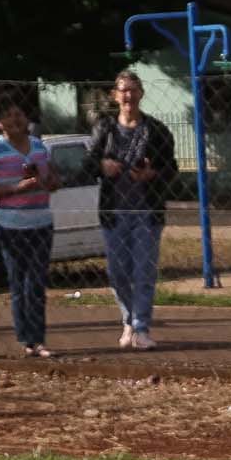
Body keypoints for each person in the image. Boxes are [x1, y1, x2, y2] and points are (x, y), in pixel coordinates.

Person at [92, 69, 177, 350]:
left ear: (141, 93)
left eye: (133, 89)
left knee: (143, 271)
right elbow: (86, 164)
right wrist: (102, 166)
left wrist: (152, 174)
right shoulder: (104, 128)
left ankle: (141, 327)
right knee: (118, 272)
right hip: (114, 212)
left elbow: (171, 169)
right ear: (115, 95)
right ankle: (128, 319)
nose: (128, 95)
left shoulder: (157, 129)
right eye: (123, 90)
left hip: (146, 212)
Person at [0, 92, 56, 358]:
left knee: (36, 283)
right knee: (18, 282)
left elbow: (54, 181)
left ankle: (39, 339)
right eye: (8, 115)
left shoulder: (39, 146)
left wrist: (44, 181)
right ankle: (25, 338)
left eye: (19, 114)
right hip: (11, 225)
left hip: (42, 222)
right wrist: (16, 188)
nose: (15, 119)